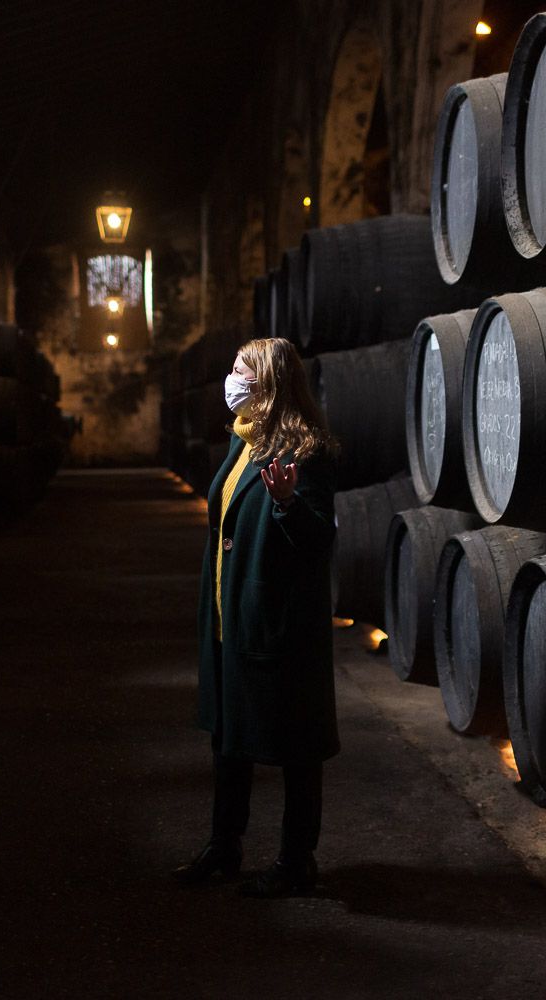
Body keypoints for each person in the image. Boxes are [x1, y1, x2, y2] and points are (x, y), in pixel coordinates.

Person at [174, 337, 339, 898]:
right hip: (231, 615)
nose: (231, 379)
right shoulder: (244, 443)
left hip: (278, 624)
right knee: (227, 738)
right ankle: (225, 846)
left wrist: (289, 503)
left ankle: (298, 860)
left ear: (268, 382)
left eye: (240, 369)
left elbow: (319, 542)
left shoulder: (304, 451)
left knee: (296, 746)